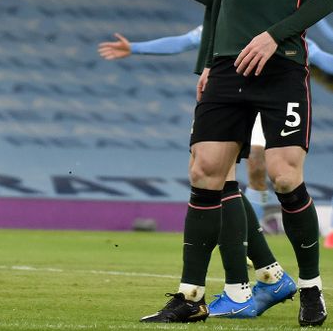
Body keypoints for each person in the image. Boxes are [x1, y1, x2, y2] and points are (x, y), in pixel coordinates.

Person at [140, 0, 333, 327]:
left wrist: (275, 35)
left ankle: (311, 289)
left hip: (283, 65)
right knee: (205, 171)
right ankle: (188, 296)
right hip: (227, 67)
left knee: (285, 174)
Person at [100, 27, 333, 224]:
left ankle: (255, 232)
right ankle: (244, 239)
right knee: (217, 171)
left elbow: (323, 60)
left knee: (258, 169)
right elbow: (182, 42)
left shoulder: (285, 35)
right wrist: (135, 48)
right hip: (230, 104)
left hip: (270, 105)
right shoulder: (224, 25)